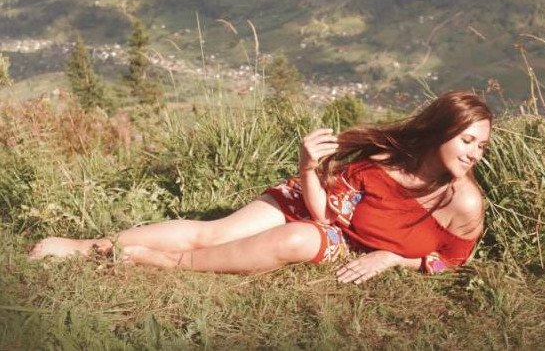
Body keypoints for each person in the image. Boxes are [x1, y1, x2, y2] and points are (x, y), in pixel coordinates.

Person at [29, 90, 492, 283]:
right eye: (467, 140)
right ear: (439, 132)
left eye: (482, 145)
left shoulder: (464, 201)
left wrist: (392, 258)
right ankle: (86, 247)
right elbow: (324, 213)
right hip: (317, 206)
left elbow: (452, 259)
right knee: (213, 231)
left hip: (344, 239)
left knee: (295, 240)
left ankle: (164, 263)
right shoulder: (386, 161)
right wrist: (307, 167)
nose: (474, 153)